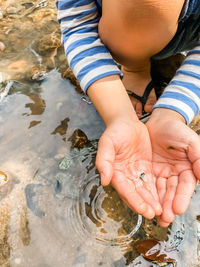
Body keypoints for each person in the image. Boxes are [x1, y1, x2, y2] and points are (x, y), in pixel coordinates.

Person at [56, 0, 200, 227]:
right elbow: (78, 27)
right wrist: (119, 115)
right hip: (125, 24)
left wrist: (172, 112)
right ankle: (135, 66)